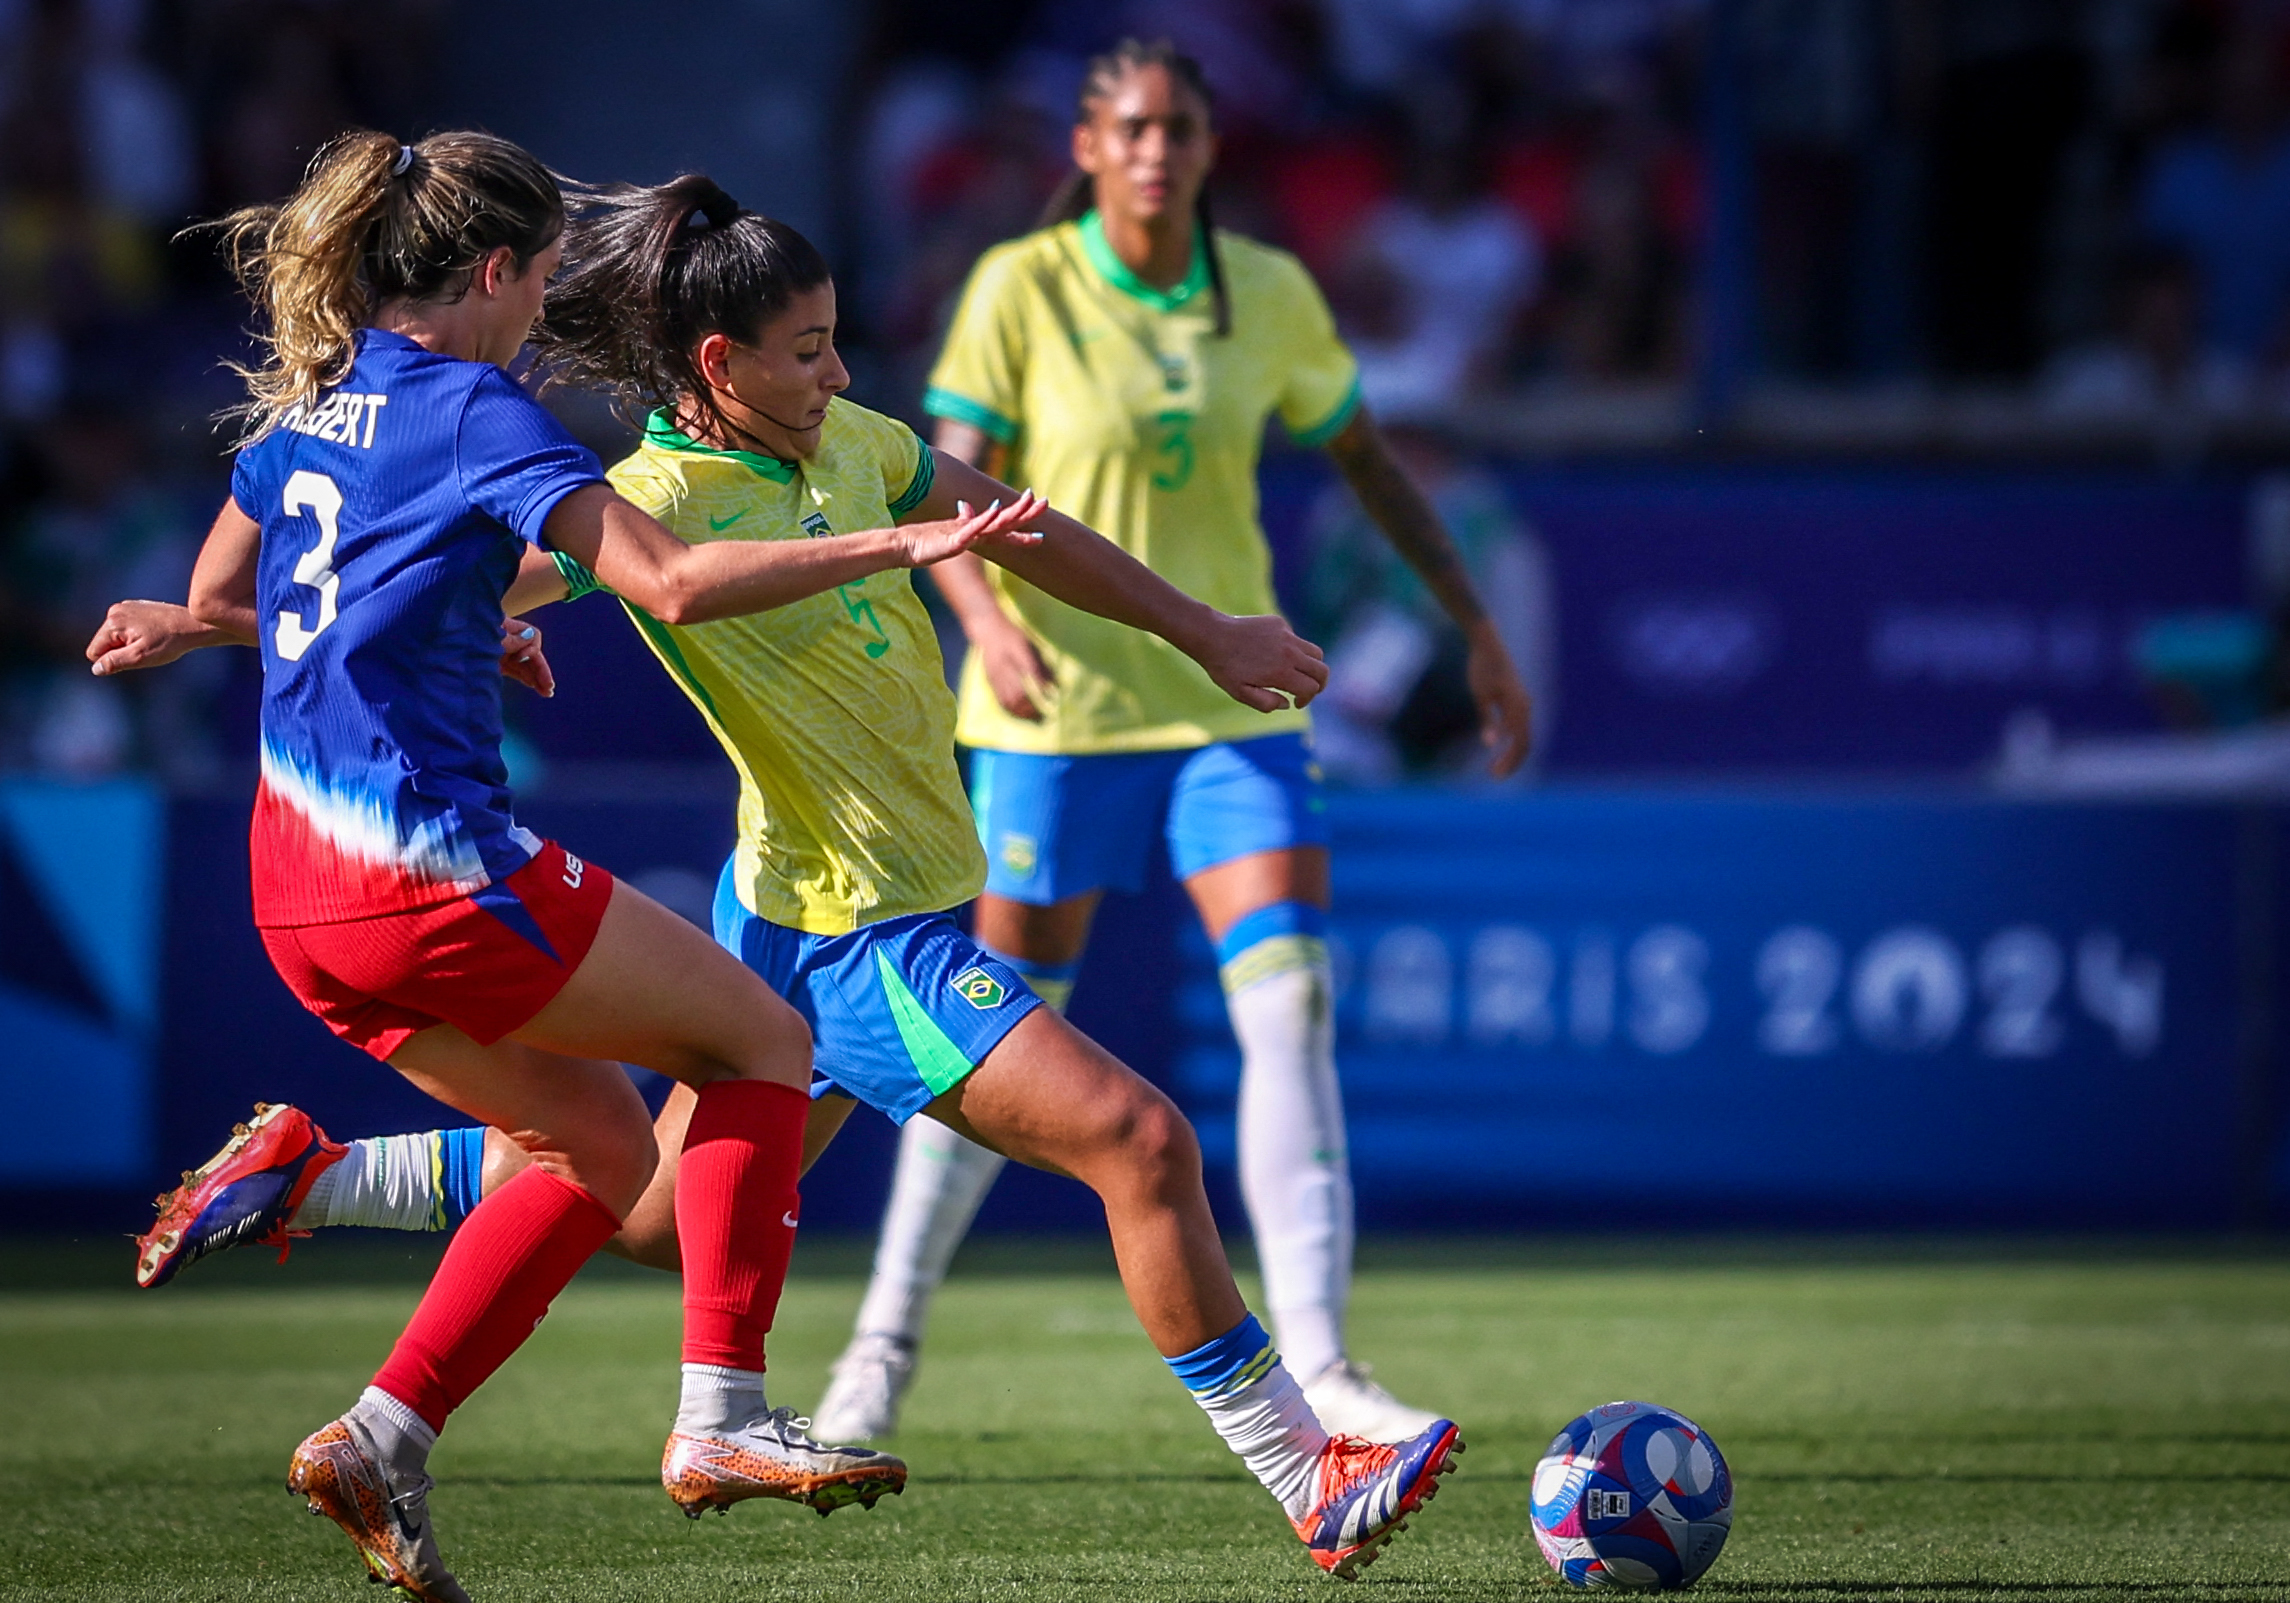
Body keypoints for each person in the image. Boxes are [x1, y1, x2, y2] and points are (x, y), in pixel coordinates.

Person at [99, 168, 1462, 1580]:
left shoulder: (857, 443)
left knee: (641, 1206)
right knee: (1140, 1143)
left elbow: (1027, 528)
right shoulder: (650, 493)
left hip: (773, 908)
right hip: (858, 927)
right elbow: (461, 581)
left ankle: (318, 1180)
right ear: (719, 362)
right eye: (807, 350)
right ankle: (1306, 1468)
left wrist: (1205, 631)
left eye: (835, 342)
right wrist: (297, 627)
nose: (838, 373)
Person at [111, 127, 1095, 1602]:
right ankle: (723, 1417)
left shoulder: (313, 403)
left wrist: (456, 626)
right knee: (766, 1040)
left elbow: (218, 592)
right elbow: (675, 585)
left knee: (599, 1153)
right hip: (430, 871)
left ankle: (380, 1432)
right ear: (494, 271)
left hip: (294, 895)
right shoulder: (477, 412)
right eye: (541, 283)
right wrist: (898, 545)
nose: (539, 317)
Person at [810, 37, 1533, 1447]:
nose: (1158, 150)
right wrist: (985, 623)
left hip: (1227, 705)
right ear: (1087, 147)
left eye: (1181, 128)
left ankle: (1325, 1366)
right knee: (993, 1037)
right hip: (1056, 713)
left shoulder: (1267, 291)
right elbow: (934, 485)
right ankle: (881, 1344)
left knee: (1291, 1005)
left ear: (1209, 146)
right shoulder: (1018, 287)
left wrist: (1476, 623)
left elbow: (1371, 463)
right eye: (1132, 128)